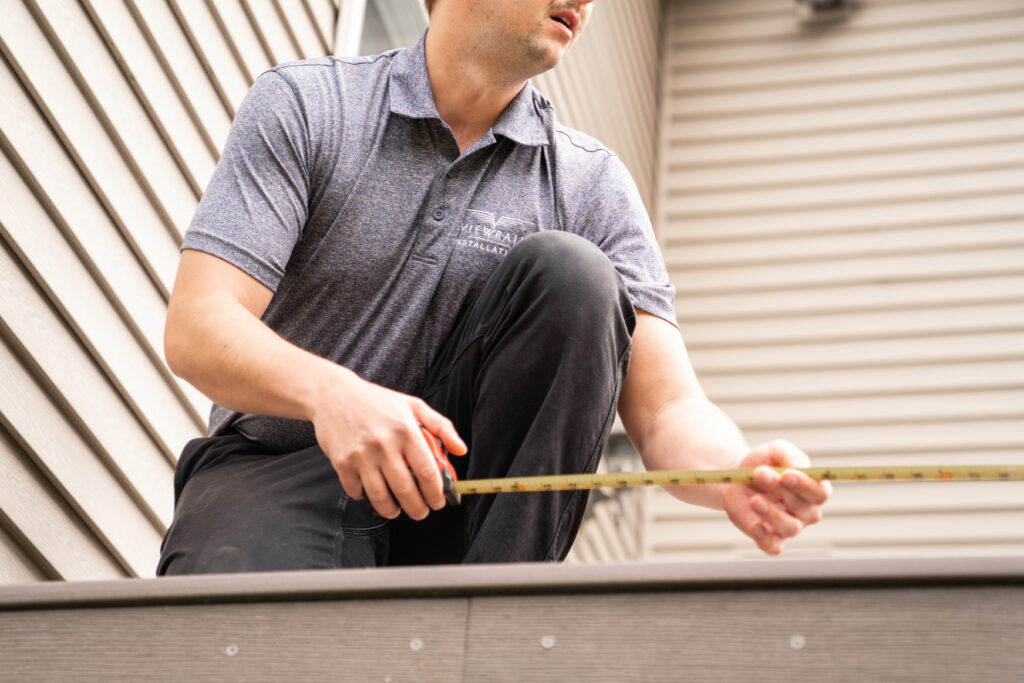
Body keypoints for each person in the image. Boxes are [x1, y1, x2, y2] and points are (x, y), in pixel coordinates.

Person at [157, 0, 830, 575]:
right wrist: (336, 396)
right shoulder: (310, 106)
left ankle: (495, 616)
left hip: (462, 508)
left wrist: (736, 471)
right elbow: (199, 324)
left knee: (575, 277)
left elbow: (667, 408)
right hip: (276, 470)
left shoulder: (591, 187)